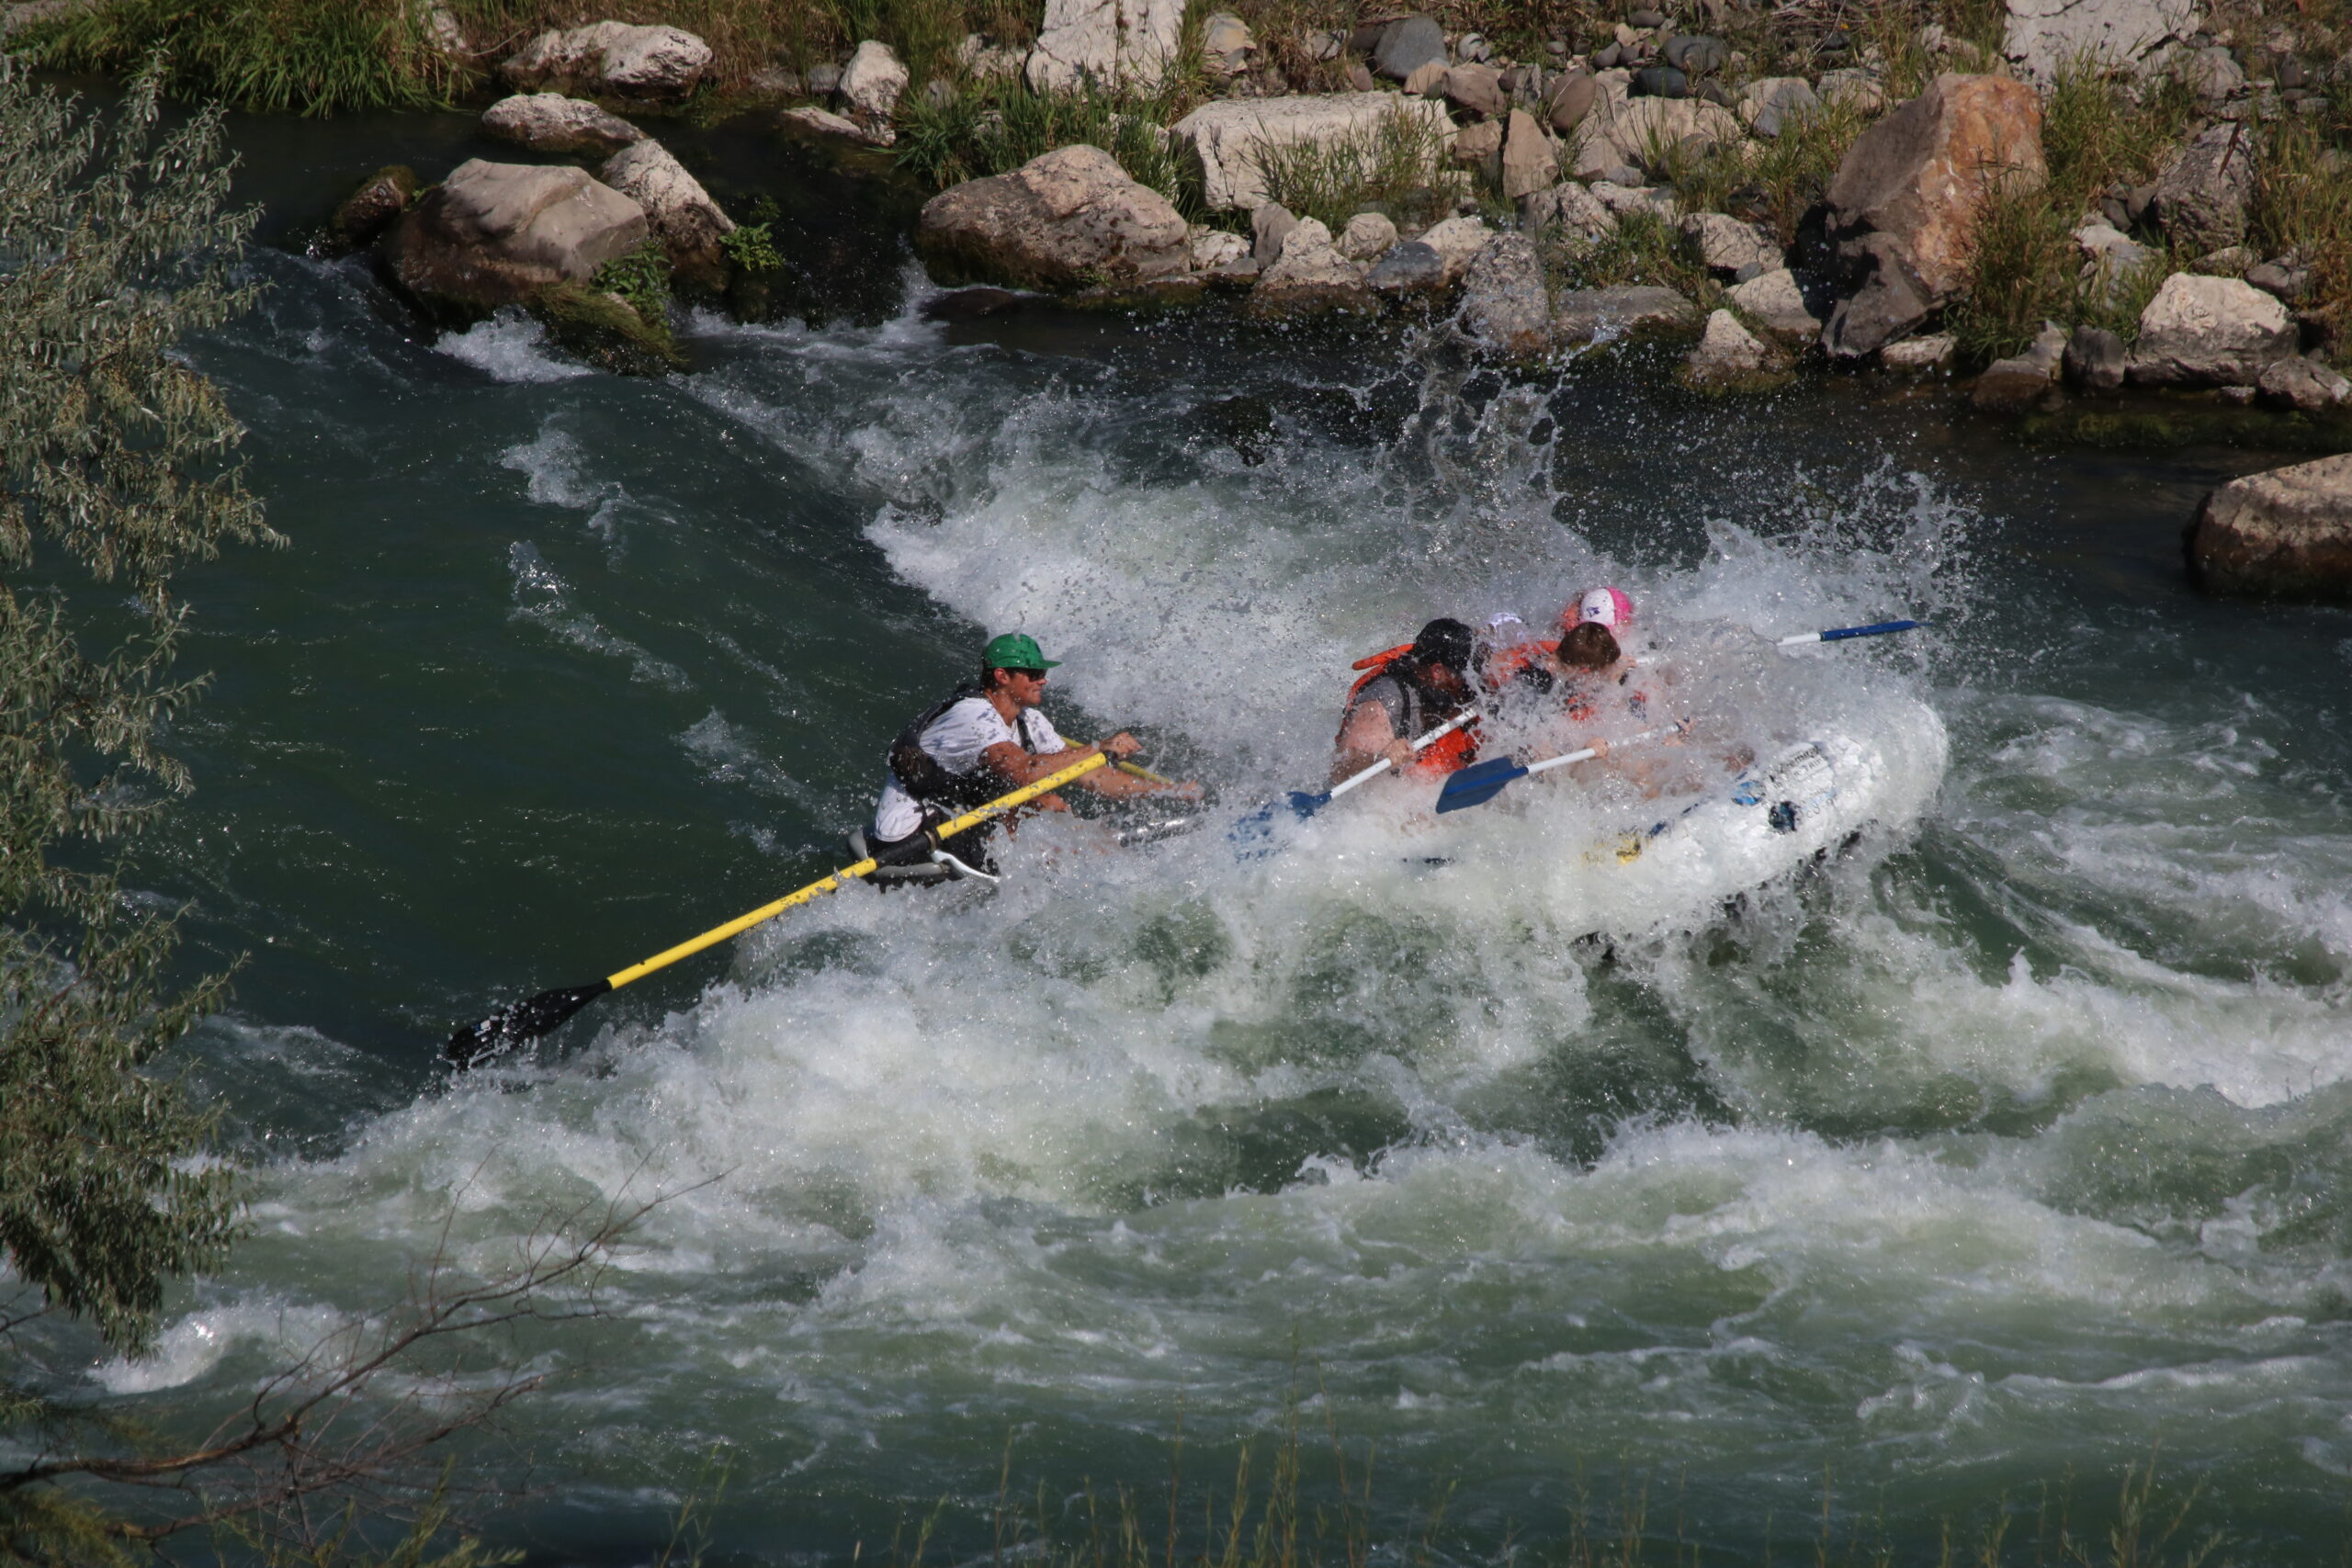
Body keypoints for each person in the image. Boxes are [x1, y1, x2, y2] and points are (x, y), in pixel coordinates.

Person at [864, 632, 1192, 880]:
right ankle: (1100, 878)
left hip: (959, 816)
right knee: (1047, 809)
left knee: (1053, 806)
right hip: (911, 837)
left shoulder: (1029, 721)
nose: (1043, 679)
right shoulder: (972, 715)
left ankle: (1118, 872)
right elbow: (1023, 771)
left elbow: (1089, 773)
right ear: (1002, 676)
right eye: (1033, 673)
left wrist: (1168, 792)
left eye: (1042, 672)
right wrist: (1099, 748)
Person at [1329, 617, 1480, 786]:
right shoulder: (1385, 701)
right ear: (1437, 670)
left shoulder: (1445, 688)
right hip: (1367, 805)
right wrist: (1383, 755)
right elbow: (1341, 773)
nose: (1468, 681)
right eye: (1463, 675)